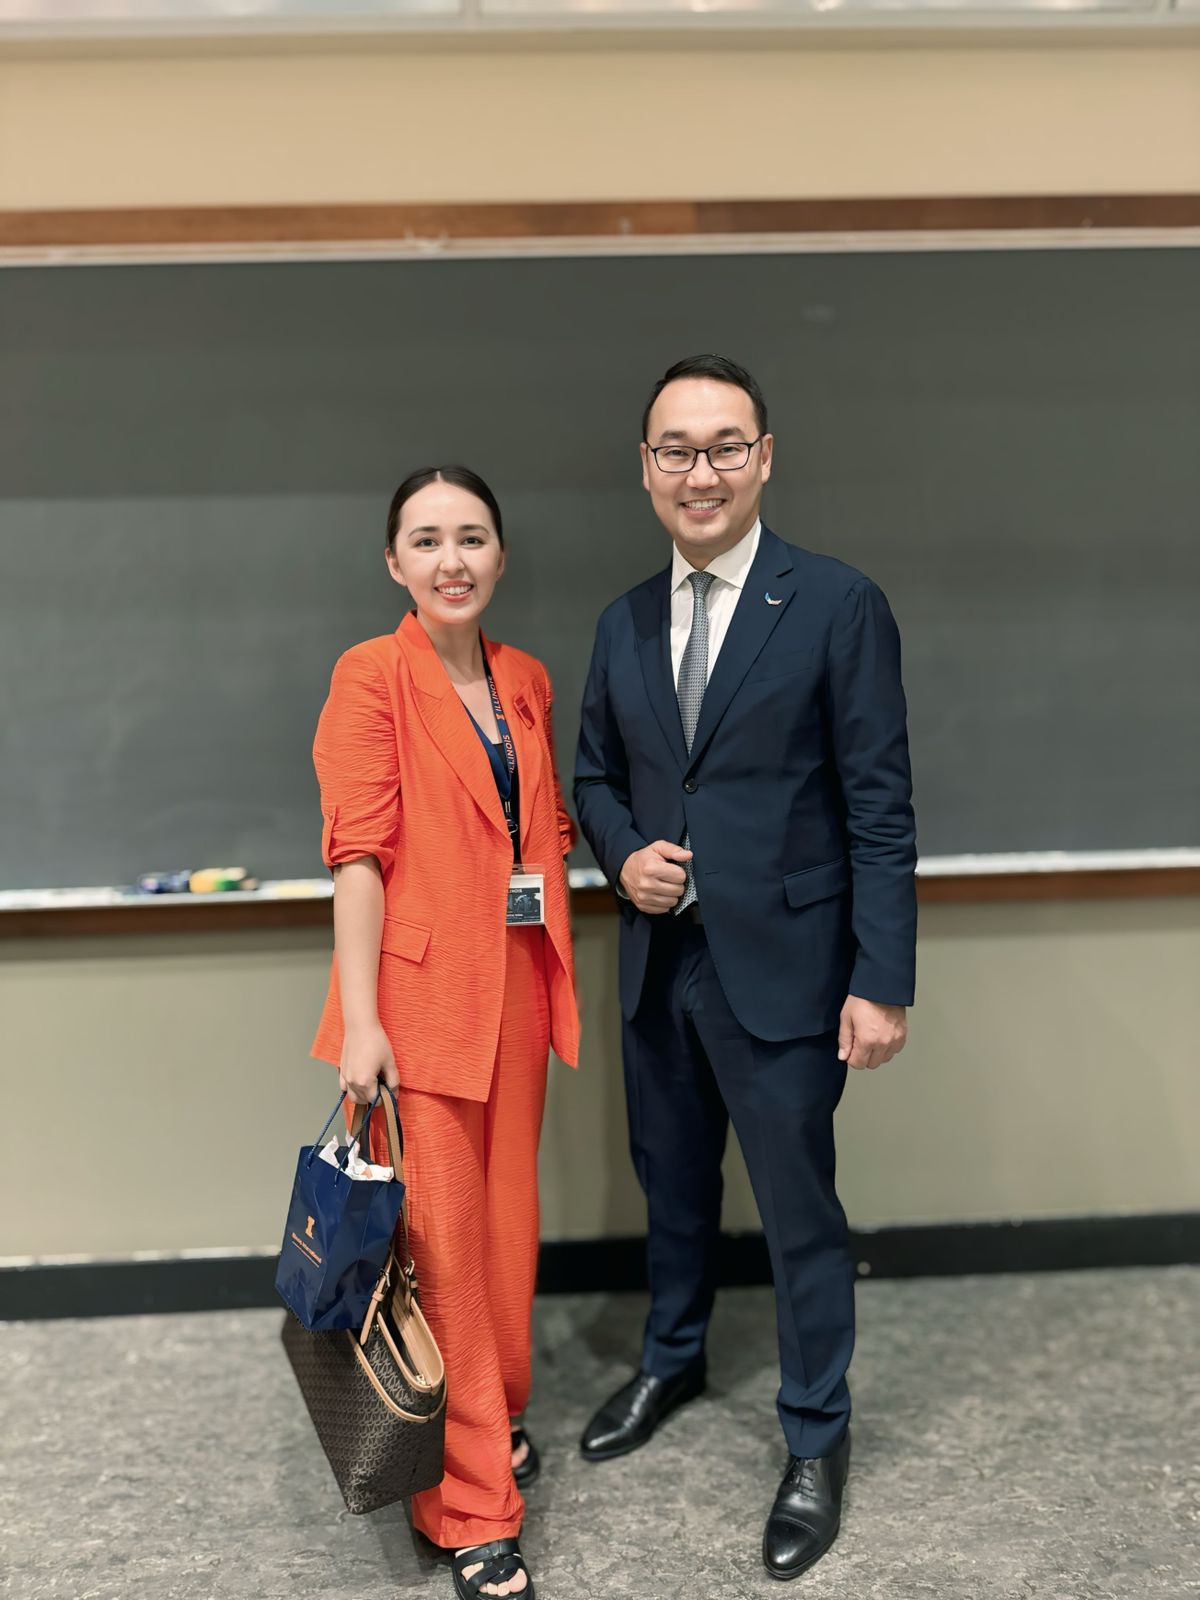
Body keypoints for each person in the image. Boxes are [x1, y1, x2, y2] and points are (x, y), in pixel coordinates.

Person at [574, 355, 916, 1581]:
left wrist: (882, 979)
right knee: (671, 1188)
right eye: (677, 450)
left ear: (765, 457)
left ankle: (815, 1435)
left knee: (798, 1213)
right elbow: (594, 777)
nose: (701, 471)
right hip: (659, 966)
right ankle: (672, 1359)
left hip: (788, 972)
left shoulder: (836, 603)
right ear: (647, 468)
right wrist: (622, 854)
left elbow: (880, 807)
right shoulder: (622, 619)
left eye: (725, 446)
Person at [311, 466, 579, 1600]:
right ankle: (471, 1507)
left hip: (517, 988)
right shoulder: (370, 675)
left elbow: (536, 827)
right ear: (394, 563)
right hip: (418, 1005)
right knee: (445, 1255)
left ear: (501, 556)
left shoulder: (526, 679)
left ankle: (489, 1415)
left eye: (471, 537)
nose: (451, 560)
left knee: (506, 1234)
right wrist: (363, 1018)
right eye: (426, 540)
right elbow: (358, 857)